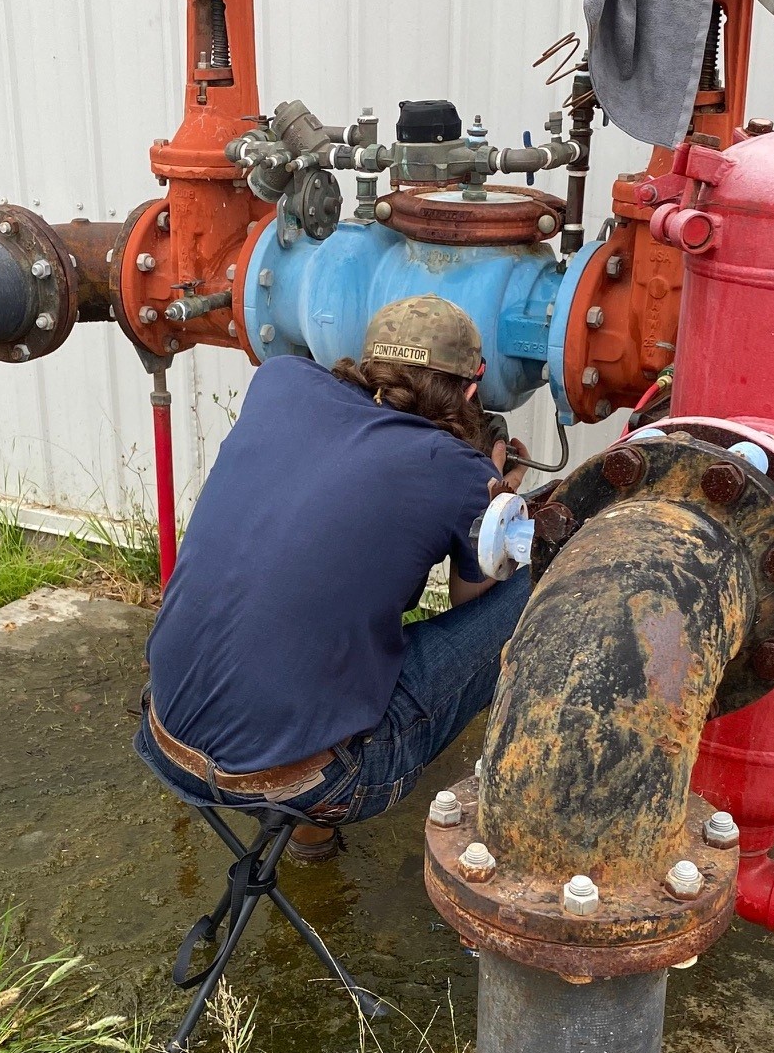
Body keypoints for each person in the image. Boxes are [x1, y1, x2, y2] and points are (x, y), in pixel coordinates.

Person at [136, 295, 531, 860]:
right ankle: (313, 818)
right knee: (534, 585)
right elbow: (473, 600)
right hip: (316, 783)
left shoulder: (279, 382)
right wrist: (497, 499)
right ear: (472, 390)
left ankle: (306, 838)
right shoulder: (458, 471)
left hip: (166, 731)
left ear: (367, 361)